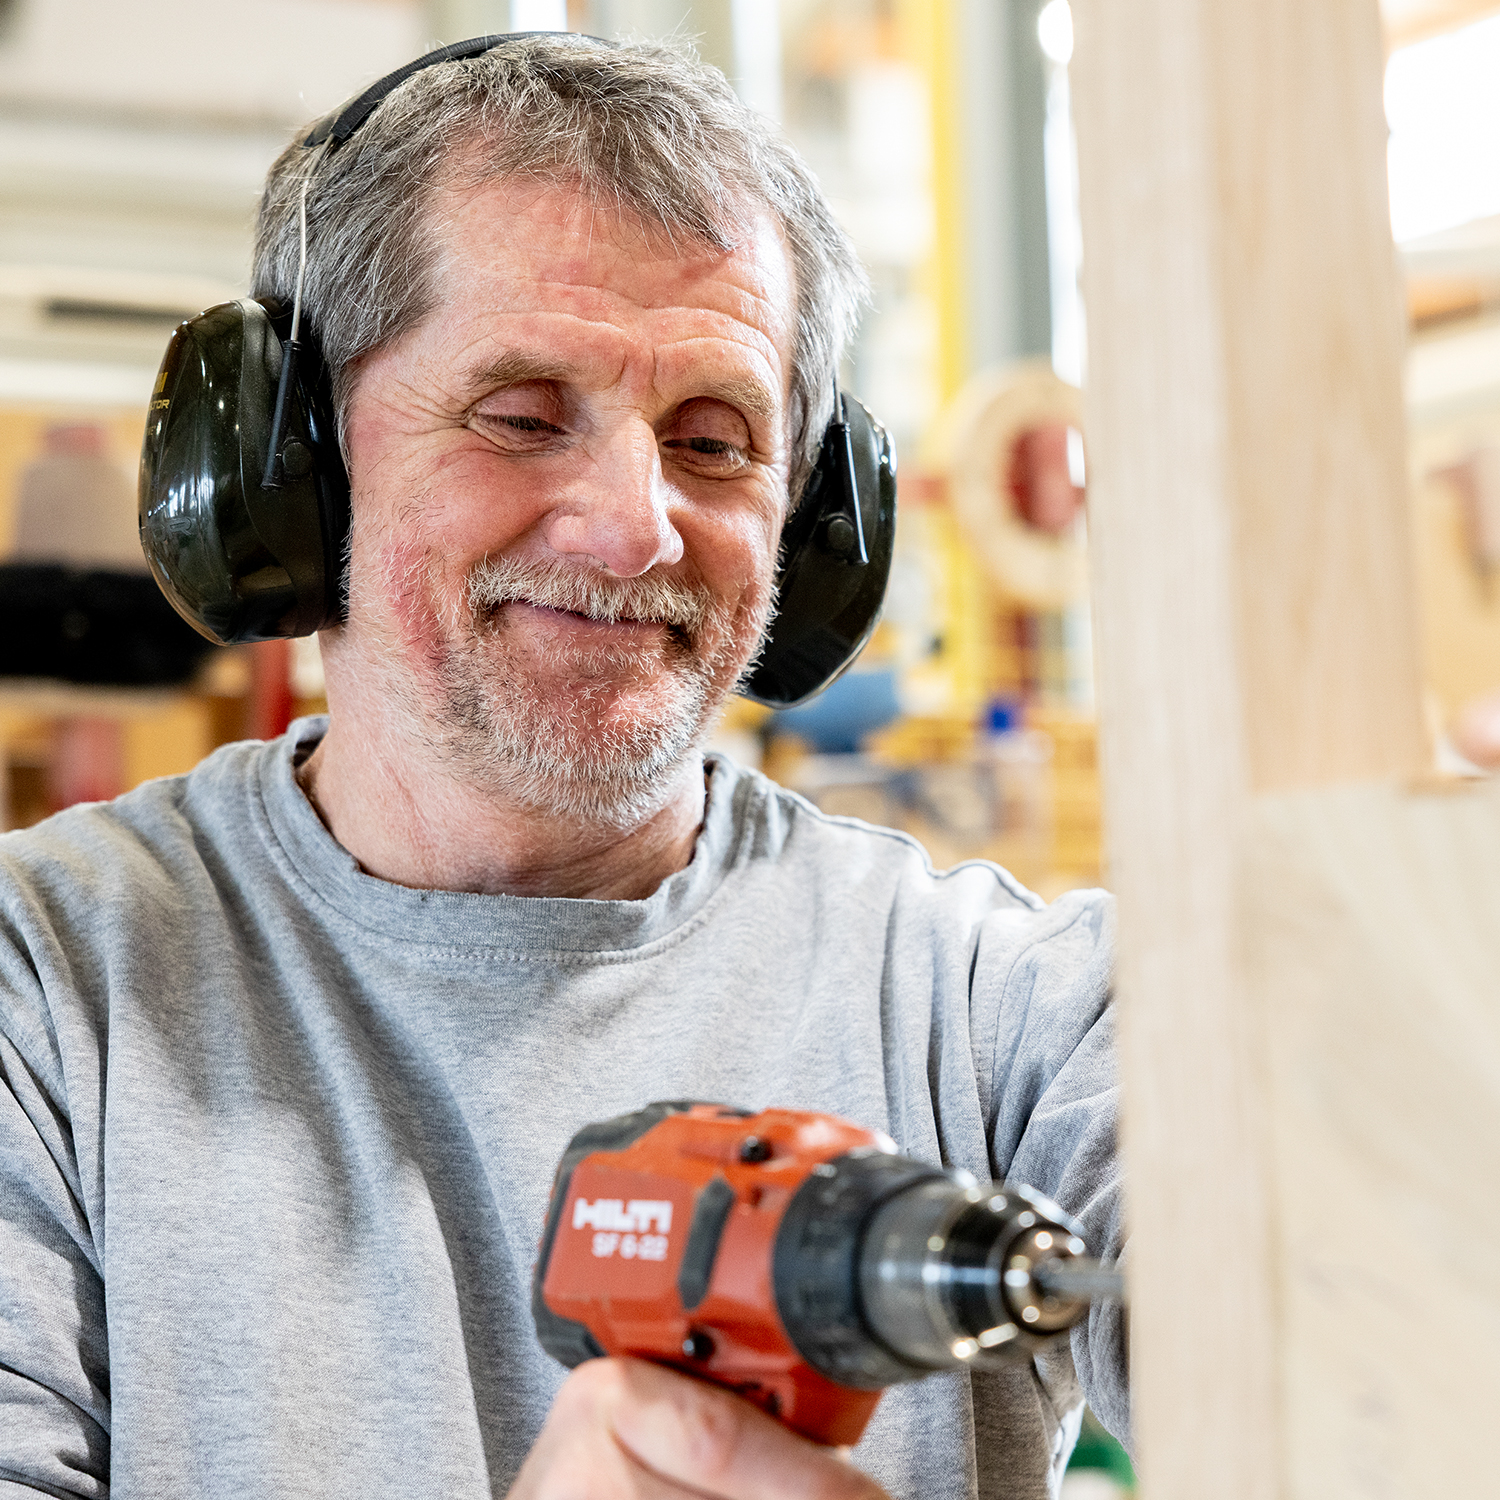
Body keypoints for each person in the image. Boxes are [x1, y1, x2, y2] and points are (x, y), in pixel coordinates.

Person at [0, 33, 1125, 1500]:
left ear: (812, 527)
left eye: (713, 442)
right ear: (293, 472)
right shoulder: (46, 994)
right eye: (522, 417)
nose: (636, 525)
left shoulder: (1000, 1011)